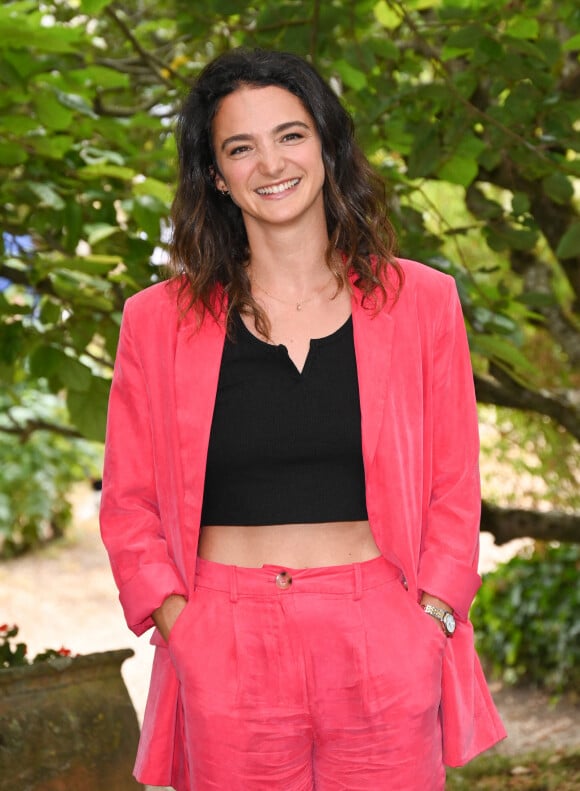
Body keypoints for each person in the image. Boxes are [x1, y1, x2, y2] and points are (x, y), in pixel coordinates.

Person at [100, 48, 506, 791]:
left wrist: (432, 616)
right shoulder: (156, 323)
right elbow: (129, 503)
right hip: (223, 634)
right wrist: (178, 623)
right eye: (240, 147)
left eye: (289, 134)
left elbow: (455, 482)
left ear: (325, 143)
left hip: (383, 627)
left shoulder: (422, 302)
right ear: (217, 176)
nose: (270, 162)